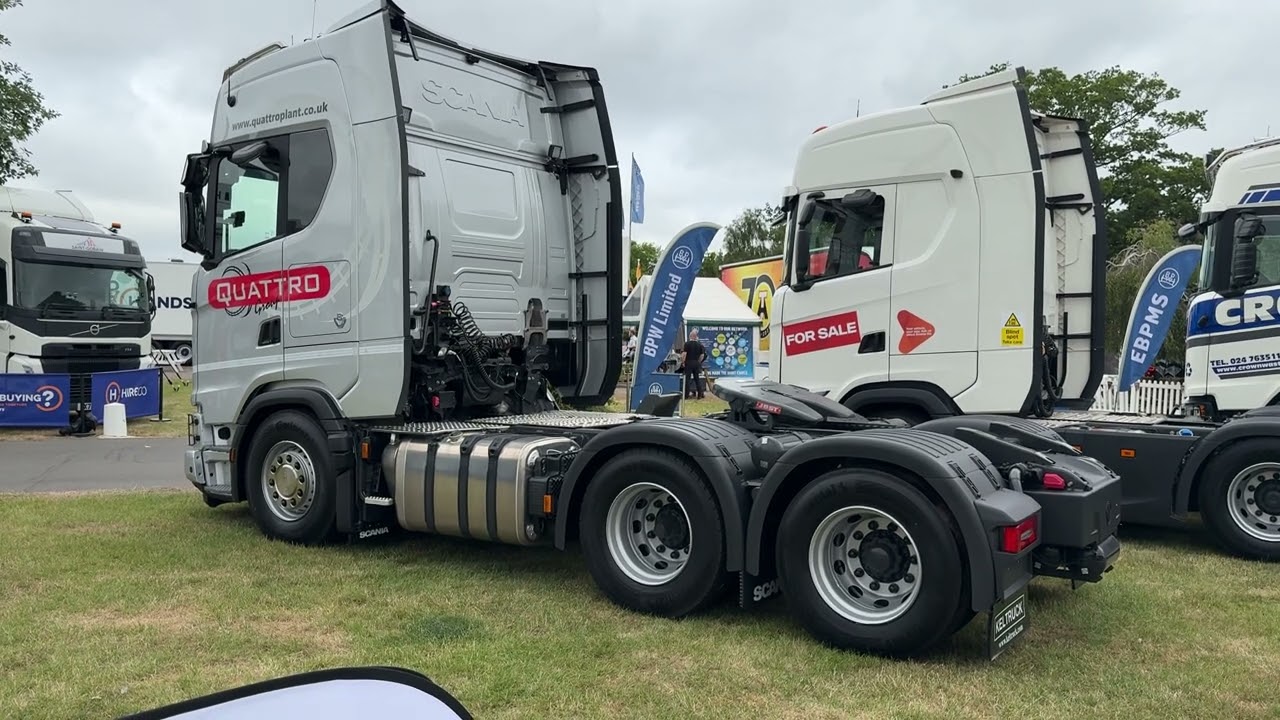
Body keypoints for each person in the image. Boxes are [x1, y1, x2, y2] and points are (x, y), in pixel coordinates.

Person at [681, 329, 706, 399]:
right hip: (696, 363)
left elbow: (684, 354)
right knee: (697, 379)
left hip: (688, 362)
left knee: (687, 379)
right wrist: (698, 361)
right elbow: (702, 355)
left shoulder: (687, 344)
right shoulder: (699, 345)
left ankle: (686, 395)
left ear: (691, 336)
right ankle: (700, 395)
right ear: (696, 337)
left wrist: (683, 362)